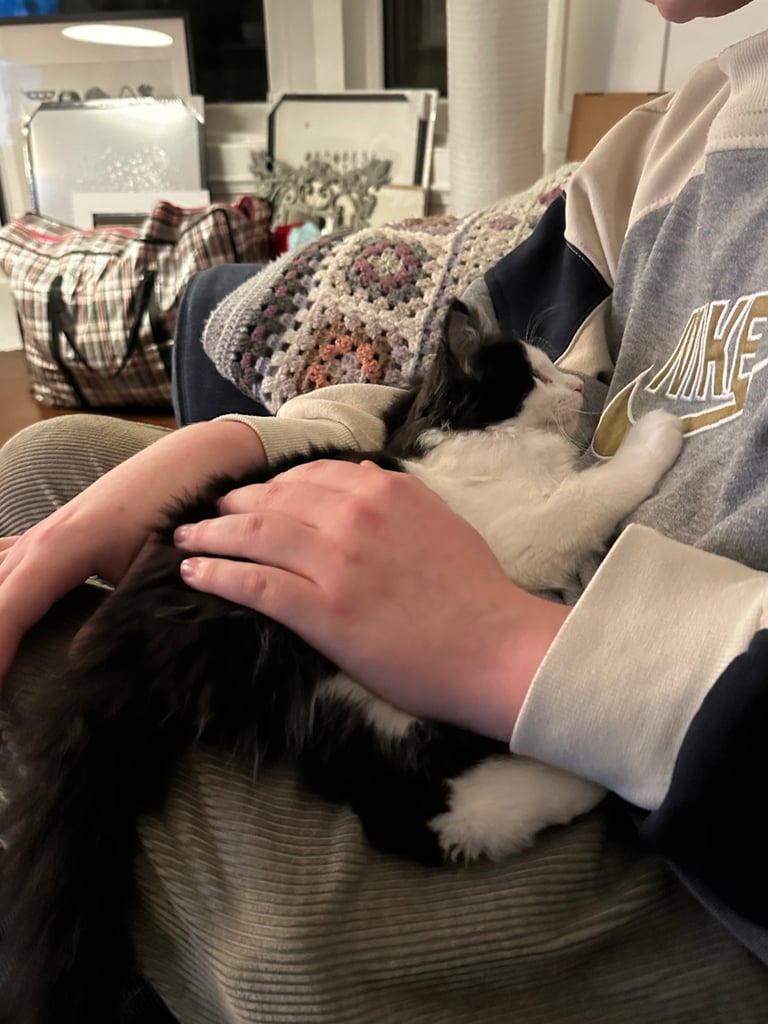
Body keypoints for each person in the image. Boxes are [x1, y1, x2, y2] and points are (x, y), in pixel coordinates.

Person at [3, 0, 768, 1018]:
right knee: (48, 471)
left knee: (58, 688)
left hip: (704, 794)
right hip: (528, 575)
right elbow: (465, 392)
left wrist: (515, 648)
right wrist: (242, 441)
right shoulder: (664, 145)